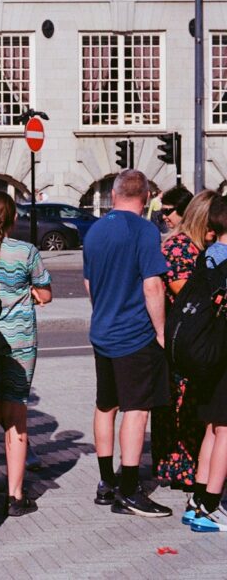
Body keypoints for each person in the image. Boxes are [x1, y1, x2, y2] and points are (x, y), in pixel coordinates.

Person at [83, 169, 172, 517]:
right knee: (137, 409)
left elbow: (90, 283)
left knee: (106, 404)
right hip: (134, 333)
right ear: (146, 196)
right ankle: (131, 489)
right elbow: (153, 286)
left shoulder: (95, 230)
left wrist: (104, 310)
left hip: (102, 331)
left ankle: (106, 483)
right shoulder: (145, 231)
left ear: (114, 194)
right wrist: (162, 332)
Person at [0, 192, 53, 518]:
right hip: (20, 343)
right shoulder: (26, 252)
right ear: (14, 218)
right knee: (16, 417)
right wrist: (28, 291)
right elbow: (45, 293)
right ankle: (15, 495)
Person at [152, 190, 217, 494]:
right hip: (183, 341)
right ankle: (183, 469)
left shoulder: (205, 247)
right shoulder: (179, 247)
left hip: (201, 340)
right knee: (182, 407)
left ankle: (202, 468)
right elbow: (184, 292)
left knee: (198, 406)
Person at [189, 194, 227, 532]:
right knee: (226, 429)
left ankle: (197, 500)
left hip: (207, 353)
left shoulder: (207, 257)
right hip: (225, 353)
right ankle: (211, 508)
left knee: (213, 427)